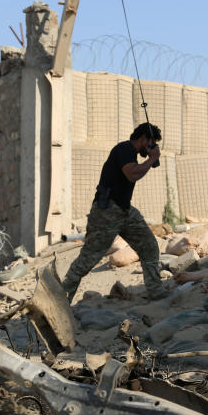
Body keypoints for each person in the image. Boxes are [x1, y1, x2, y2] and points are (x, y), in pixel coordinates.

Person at [62, 123, 166, 302]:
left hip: (124, 210)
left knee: (149, 246)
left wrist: (149, 160)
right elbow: (131, 174)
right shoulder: (125, 148)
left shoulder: (131, 153)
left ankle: (155, 292)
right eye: (152, 143)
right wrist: (150, 159)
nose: (152, 147)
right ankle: (61, 298)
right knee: (88, 258)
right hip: (107, 211)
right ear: (143, 139)